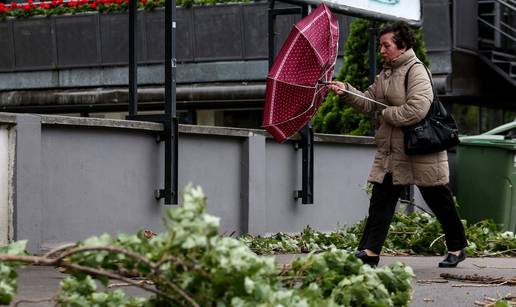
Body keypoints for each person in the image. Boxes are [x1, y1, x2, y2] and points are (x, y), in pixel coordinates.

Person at [328, 21, 468, 268]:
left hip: (420, 149)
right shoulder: (387, 73)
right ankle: (369, 252)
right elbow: (369, 101)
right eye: (381, 45)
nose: (381, 50)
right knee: (381, 200)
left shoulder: (416, 70)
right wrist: (346, 91)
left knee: (439, 200)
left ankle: (457, 246)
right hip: (394, 152)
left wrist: (387, 115)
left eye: (386, 45)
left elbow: (417, 108)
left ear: (402, 45)